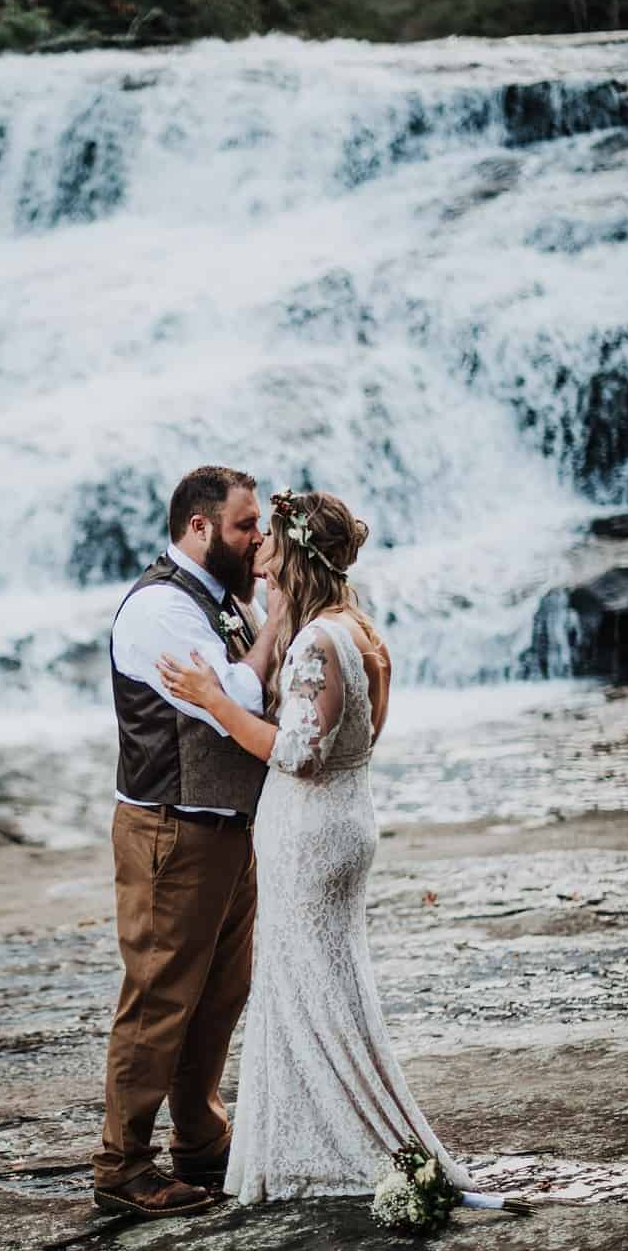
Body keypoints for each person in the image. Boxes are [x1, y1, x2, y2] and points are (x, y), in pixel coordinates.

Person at [157, 488, 476, 1203]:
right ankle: (331, 1143)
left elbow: (297, 751)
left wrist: (215, 700)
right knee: (320, 988)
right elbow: (359, 736)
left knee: (309, 992)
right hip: (342, 820)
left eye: (269, 542)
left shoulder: (317, 641)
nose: (259, 556)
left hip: (310, 834)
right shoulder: (356, 628)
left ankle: (352, 1148)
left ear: (295, 551)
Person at [92, 465, 285, 1218]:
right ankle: (123, 1166)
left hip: (223, 830)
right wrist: (273, 624)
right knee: (160, 999)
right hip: (171, 831)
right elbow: (231, 700)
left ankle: (200, 1142)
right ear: (198, 528)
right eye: (245, 526)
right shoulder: (160, 610)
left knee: (218, 997)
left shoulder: (218, 601)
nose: (257, 538)